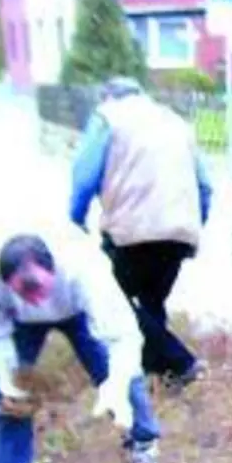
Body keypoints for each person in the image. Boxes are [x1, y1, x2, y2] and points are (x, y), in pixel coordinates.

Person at [0, 232, 163, 463]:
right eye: (23, 291)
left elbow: (123, 336)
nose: (34, 299)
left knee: (121, 380)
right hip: (17, 324)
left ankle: (143, 448)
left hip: (78, 311)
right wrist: (10, 381)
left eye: (37, 288)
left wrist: (117, 385)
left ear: (53, 270)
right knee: (5, 398)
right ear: (4, 281)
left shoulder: (85, 271)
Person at [70, 76, 212, 389]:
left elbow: (84, 176)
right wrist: (195, 223)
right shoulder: (175, 121)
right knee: (150, 304)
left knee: (114, 301)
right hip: (179, 230)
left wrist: (75, 221)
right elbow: (205, 184)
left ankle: (183, 364)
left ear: (107, 97)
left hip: (130, 232)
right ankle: (159, 378)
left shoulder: (108, 118)